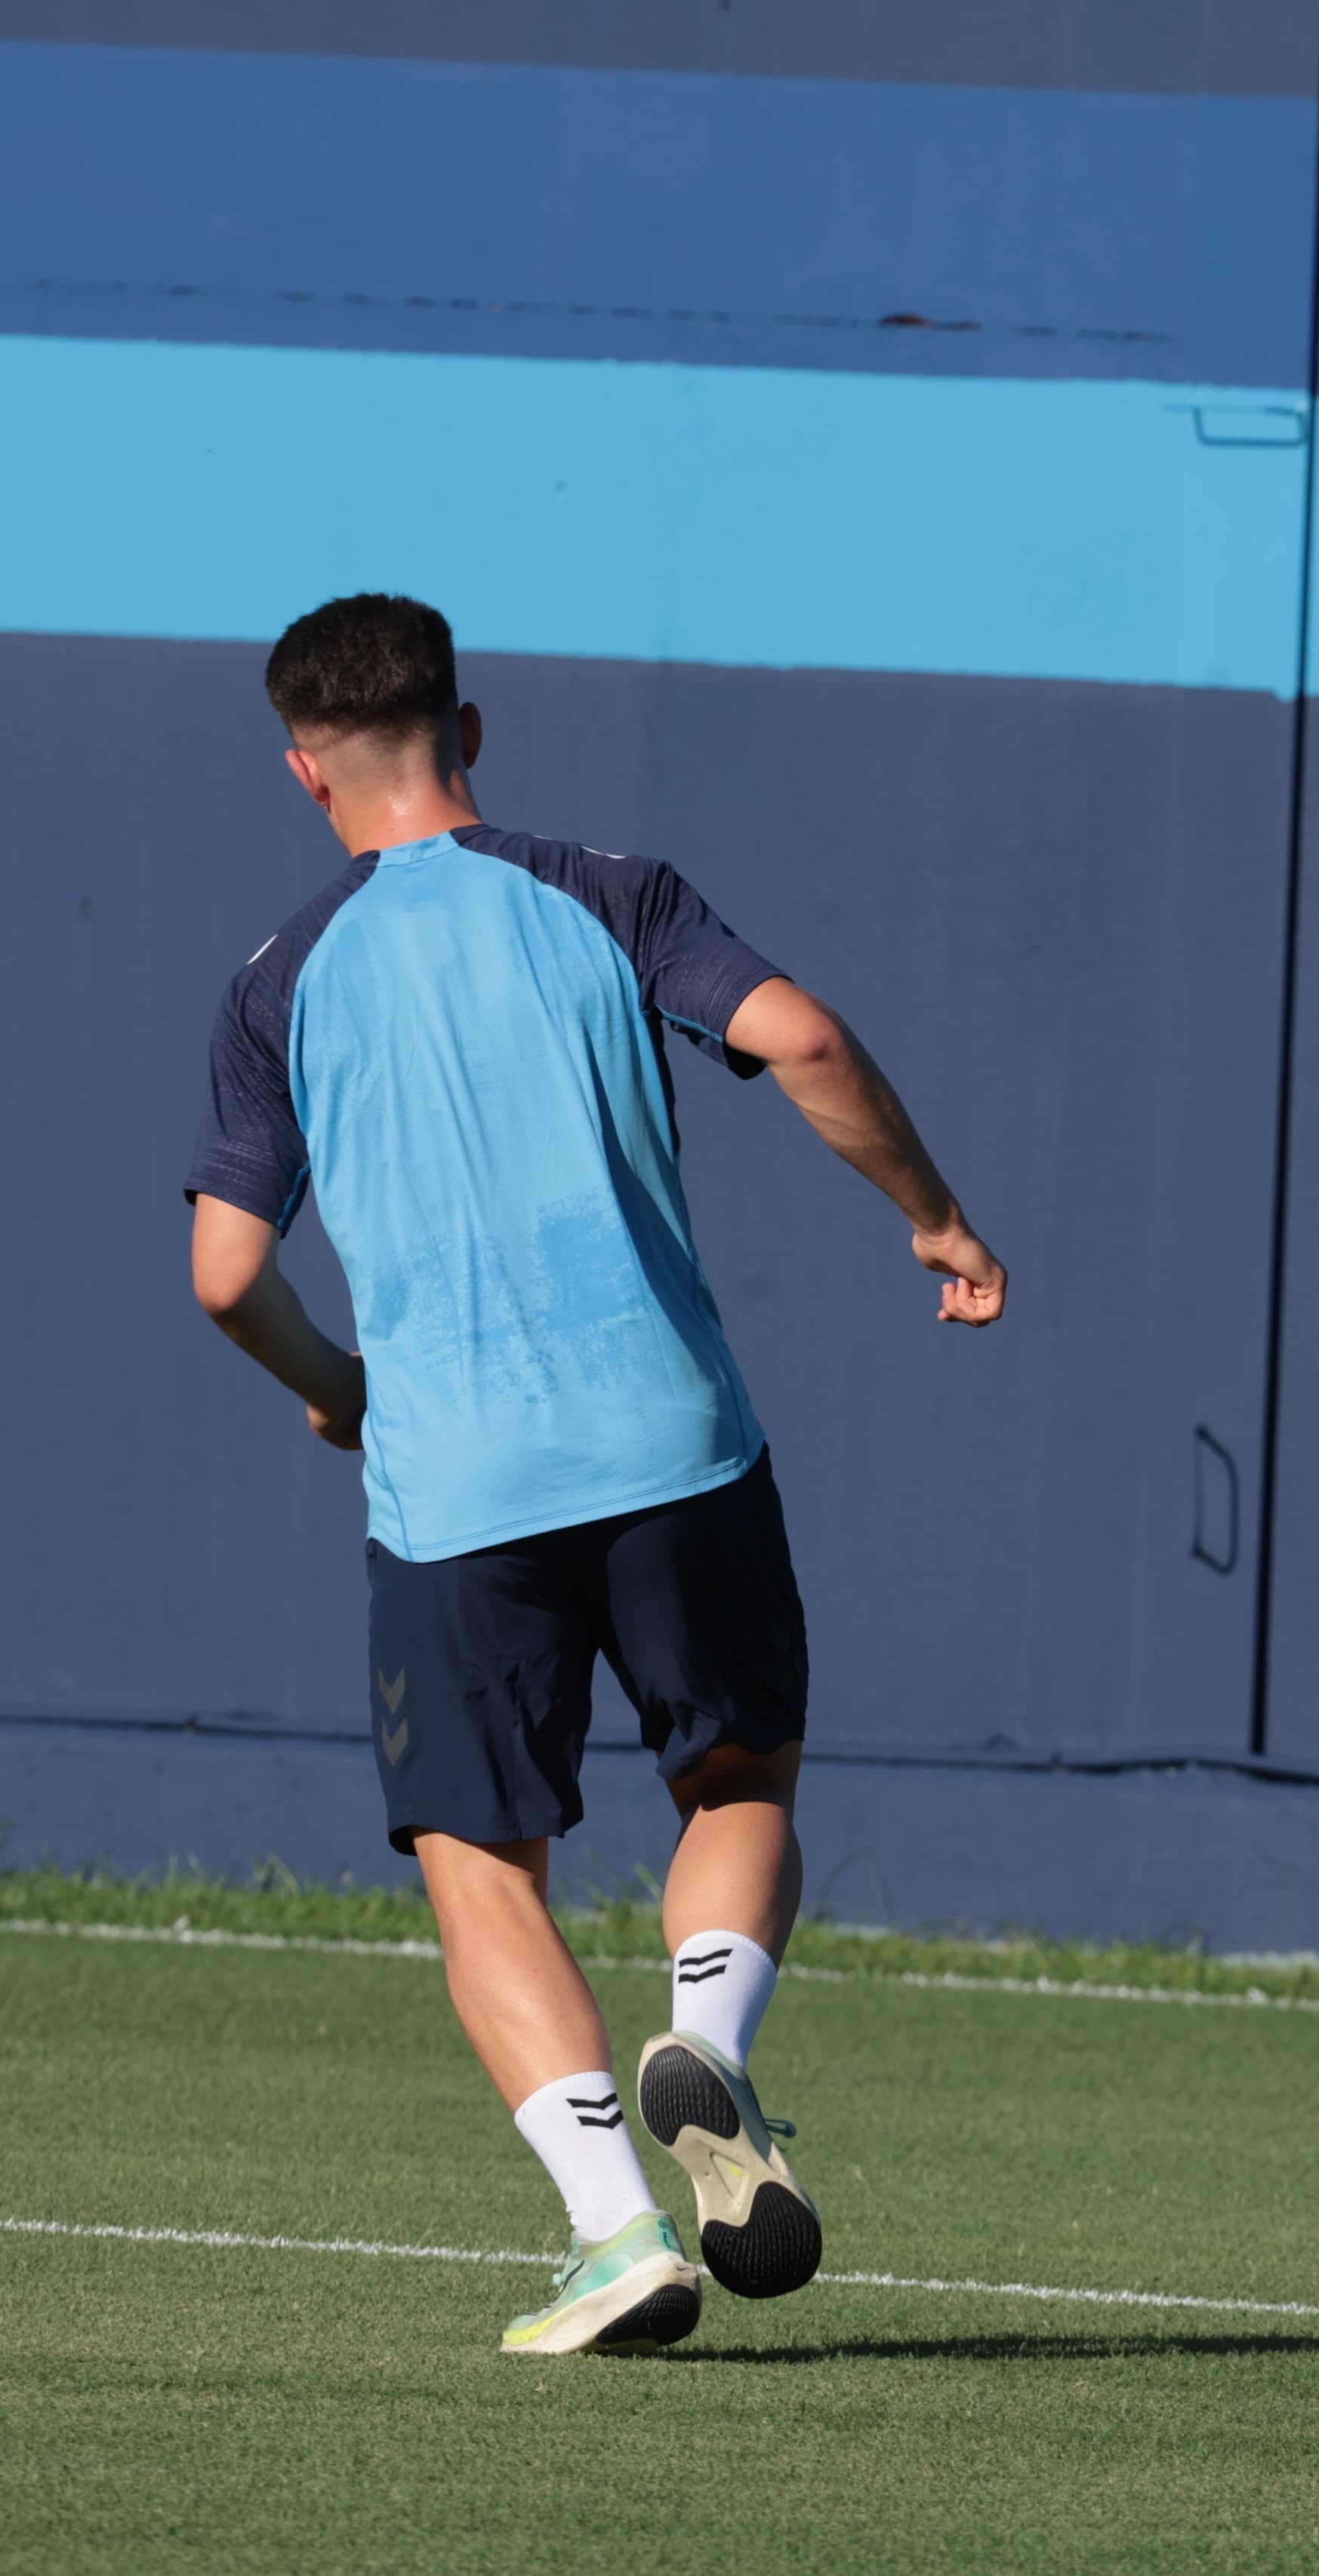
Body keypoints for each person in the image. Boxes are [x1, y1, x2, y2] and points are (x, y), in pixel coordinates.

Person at [184, 593, 1008, 2355]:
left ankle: (614, 2233)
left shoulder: (278, 982)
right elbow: (798, 1035)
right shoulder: (609, 892)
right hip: (673, 1444)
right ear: (467, 732)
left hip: (452, 1488)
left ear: (301, 768)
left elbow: (227, 1274)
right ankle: (708, 2039)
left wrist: (344, 1394)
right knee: (733, 1780)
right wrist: (935, 1219)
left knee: (485, 1861)